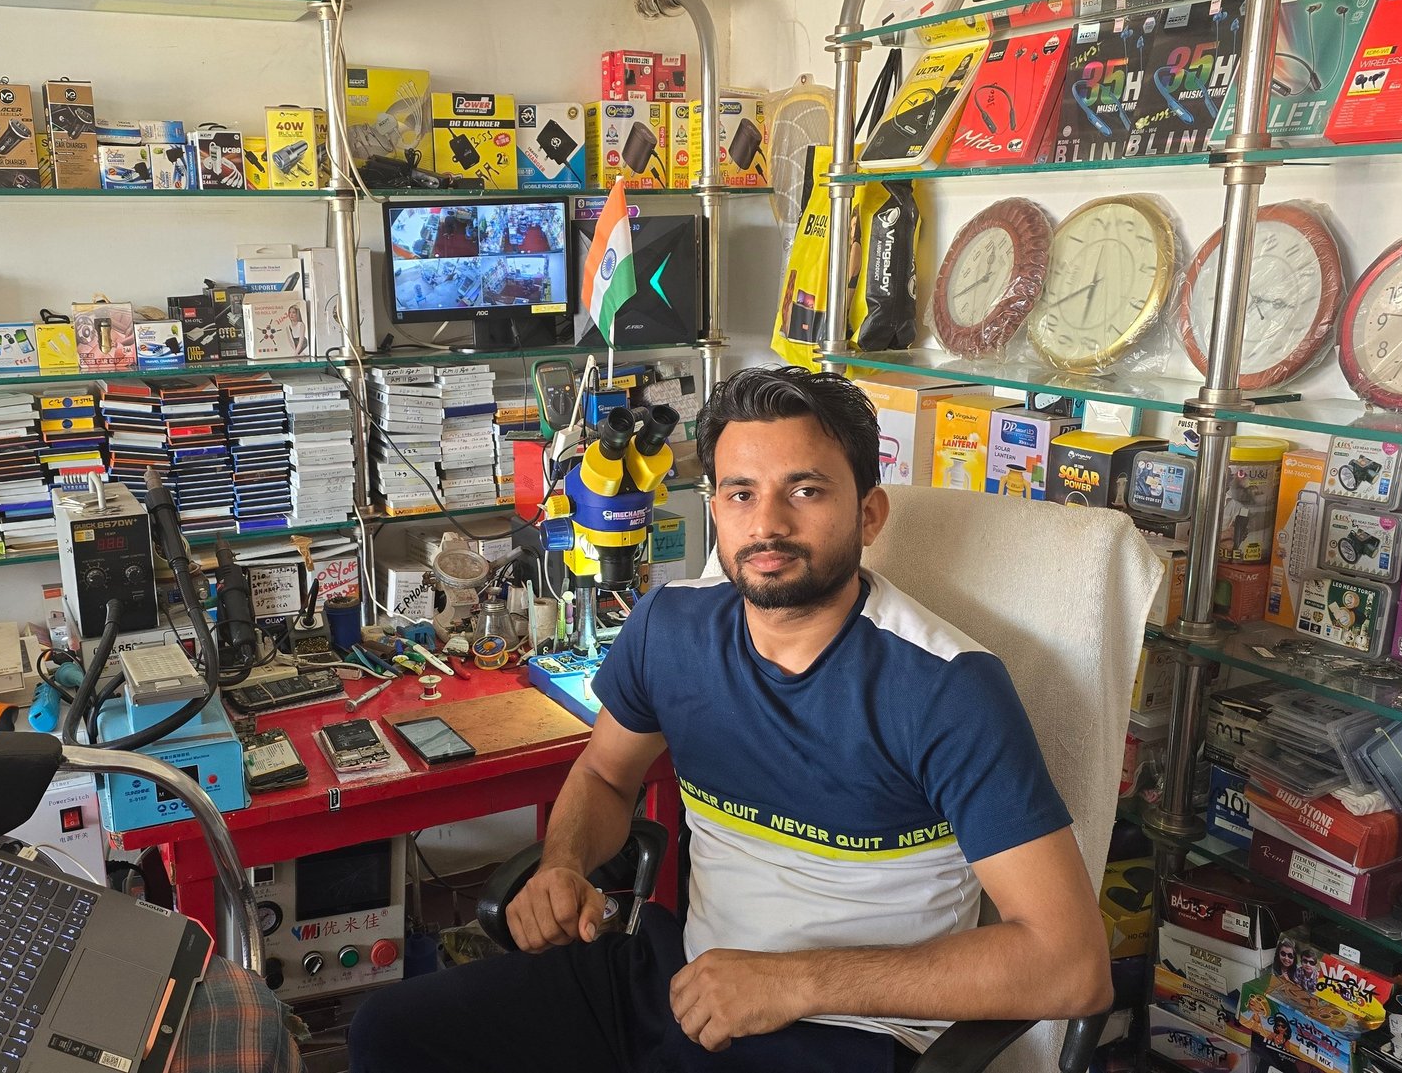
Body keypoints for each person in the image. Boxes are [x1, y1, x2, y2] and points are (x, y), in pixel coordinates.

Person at [348, 366, 1112, 1073]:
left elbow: (1070, 966)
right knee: (391, 1033)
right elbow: (607, 776)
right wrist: (563, 864)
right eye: (741, 492)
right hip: (676, 981)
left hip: (844, 1030)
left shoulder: (947, 689)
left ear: (869, 513)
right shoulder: (668, 628)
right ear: (714, 508)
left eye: (806, 490)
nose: (767, 522)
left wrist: (793, 982)